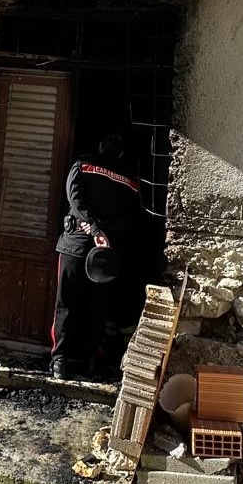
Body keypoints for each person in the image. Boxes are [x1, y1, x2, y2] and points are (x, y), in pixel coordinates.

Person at [50, 135, 143, 380]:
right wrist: (104, 230)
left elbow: (74, 198)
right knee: (97, 306)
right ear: (121, 153)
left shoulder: (82, 165)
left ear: (100, 146)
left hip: (74, 245)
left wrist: (93, 226)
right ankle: (92, 360)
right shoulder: (130, 180)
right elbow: (131, 218)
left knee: (65, 304)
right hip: (104, 253)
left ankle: (60, 361)